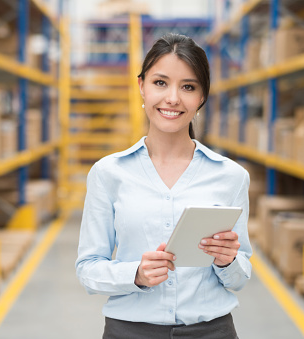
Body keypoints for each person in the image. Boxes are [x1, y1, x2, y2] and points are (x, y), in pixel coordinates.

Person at [75, 33, 251, 339]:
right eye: (160, 83)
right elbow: (88, 269)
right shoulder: (108, 173)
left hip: (212, 331)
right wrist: (136, 274)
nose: (172, 98)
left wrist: (228, 261)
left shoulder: (231, 177)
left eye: (188, 87)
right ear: (141, 86)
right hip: (129, 332)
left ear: (201, 97)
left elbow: (239, 277)